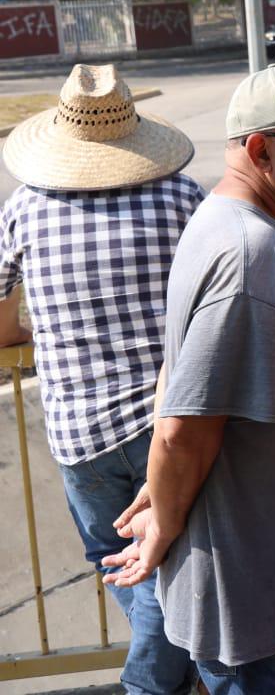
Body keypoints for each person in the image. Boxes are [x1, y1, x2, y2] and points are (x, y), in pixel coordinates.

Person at [102, 65, 275, 695]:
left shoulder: (245, 232)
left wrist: (159, 493)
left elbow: (180, 386)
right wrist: (165, 527)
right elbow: (183, 428)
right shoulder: (248, 253)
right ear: (261, 149)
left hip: (274, 597)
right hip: (261, 616)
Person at [0, 64, 201, 695]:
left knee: (113, 557)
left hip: (77, 430)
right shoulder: (183, 198)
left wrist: (30, 336)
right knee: (175, 563)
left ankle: (154, 681)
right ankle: (167, 675)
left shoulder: (24, 208)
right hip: (169, 423)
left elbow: (2, 322)